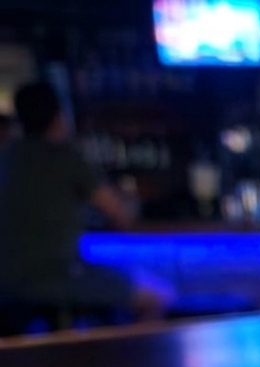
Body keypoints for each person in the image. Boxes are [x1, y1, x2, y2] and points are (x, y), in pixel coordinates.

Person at [0, 82, 168, 319]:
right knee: (157, 294)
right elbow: (120, 216)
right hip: (57, 277)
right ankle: (126, 355)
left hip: (6, 282)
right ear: (59, 116)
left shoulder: (6, 157)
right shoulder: (66, 157)